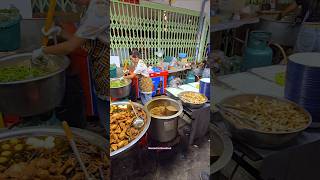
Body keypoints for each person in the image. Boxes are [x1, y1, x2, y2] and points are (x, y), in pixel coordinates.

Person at [31, 0, 109, 130]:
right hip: (100, 66)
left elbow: (71, 46)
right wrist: (60, 32)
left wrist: (42, 51)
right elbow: (81, 41)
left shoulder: (99, 10)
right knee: (104, 108)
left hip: (106, 68)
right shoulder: (90, 7)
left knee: (107, 113)